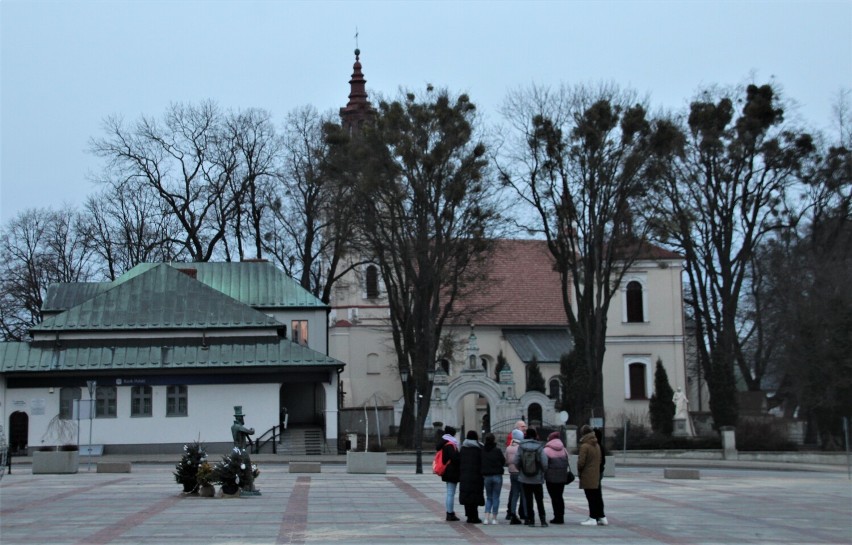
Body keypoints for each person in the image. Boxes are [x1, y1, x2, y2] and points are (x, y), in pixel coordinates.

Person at [513, 427, 549, 527]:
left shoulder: (521, 447)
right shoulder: (539, 447)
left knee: (528, 499)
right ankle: (543, 520)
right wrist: (542, 471)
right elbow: (545, 463)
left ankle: (530, 519)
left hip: (525, 477)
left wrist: (521, 469)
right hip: (537, 478)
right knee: (539, 499)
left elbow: (516, 461)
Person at [578, 424, 607, 526]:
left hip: (587, 474)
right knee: (597, 495)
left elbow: (581, 462)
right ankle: (601, 516)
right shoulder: (597, 444)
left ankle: (592, 517)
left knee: (590, 496)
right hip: (596, 473)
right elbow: (600, 460)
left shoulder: (585, 446)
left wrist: (580, 471)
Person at [543, 431, 570, 524]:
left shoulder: (546, 450)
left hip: (551, 478)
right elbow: (567, 462)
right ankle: (561, 516)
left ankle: (556, 517)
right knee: (559, 496)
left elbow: (544, 464)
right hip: (562, 477)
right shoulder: (564, 449)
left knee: (554, 497)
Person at [458, 430, 485, 524]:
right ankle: (475, 516)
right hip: (476, 476)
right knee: (475, 496)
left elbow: (459, 461)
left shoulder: (463, 448)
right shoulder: (479, 448)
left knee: (466, 495)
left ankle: (469, 516)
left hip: (465, 476)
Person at [480, 432, 505, 525]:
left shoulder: (482, 450)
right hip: (497, 475)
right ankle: (494, 518)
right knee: (496, 497)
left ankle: (486, 518)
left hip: (487, 476)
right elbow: (503, 461)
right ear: (494, 440)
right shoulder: (497, 450)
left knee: (489, 497)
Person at [438, 425, 461, 521]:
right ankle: (450, 513)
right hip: (452, 471)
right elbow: (455, 459)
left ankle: (450, 512)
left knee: (449, 492)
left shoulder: (443, 443)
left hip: (446, 470)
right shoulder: (450, 444)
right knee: (450, 493)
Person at [504, 429, 527, 524]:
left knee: (514, 494)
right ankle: (526, 514)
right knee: (524, 495)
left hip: (512, 473)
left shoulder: (509, 447)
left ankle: (512, 512)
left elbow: (506, 460)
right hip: (520, 473)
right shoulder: (521, 447)